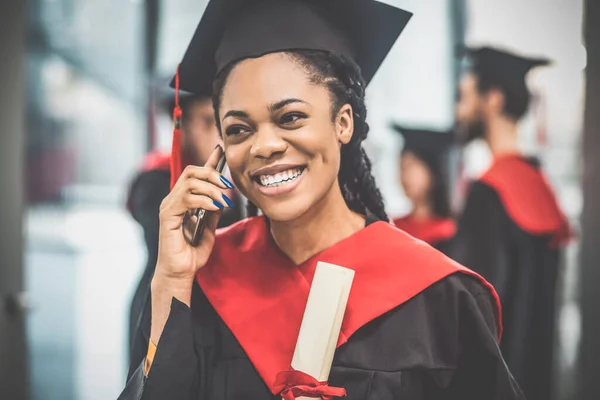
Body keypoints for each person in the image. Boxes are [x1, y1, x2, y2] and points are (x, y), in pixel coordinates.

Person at [118, 2, 523, 399]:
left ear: (343, 122)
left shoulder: (438, 296)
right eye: (239, 129)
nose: (265, 145)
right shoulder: (203, 282)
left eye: (290, 117)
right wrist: (171, 279)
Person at [453, 46, 572, 400]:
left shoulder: (488, 195)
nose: (460, 109)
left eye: (466, 96)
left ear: (493, 100)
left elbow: (474, 316)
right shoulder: (540, 185)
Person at [126, 91, 243, 364]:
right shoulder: (156, 180)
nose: (217, 135)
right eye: (205, 121)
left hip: (217, 310)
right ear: (185, 126)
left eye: (225, 124)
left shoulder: (232, 185)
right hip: (162, 304)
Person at [390, 125, 456, 253]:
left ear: (432, 172)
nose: (404, 175)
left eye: (411, 166)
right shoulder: (393, 227)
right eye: (402, 166)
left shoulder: (448, 234)